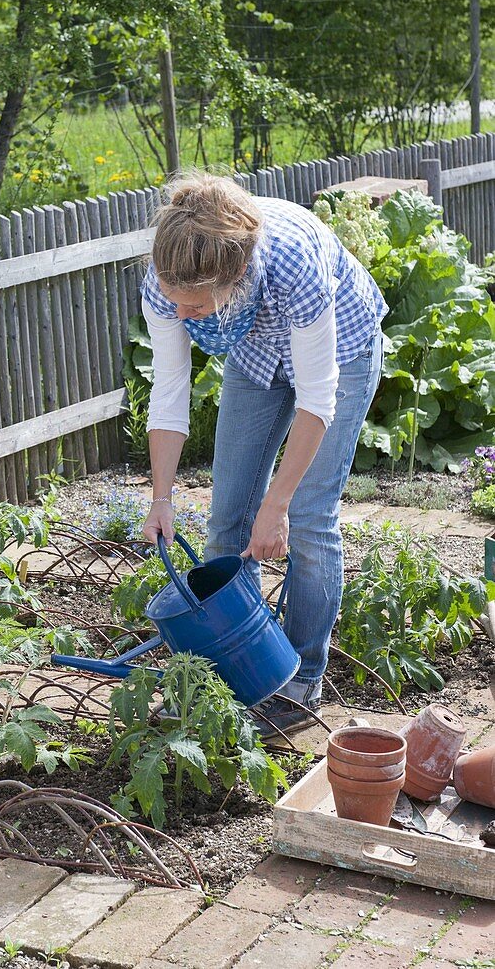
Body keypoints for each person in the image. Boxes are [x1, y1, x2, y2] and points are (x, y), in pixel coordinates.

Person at [140, 170, 386, 736]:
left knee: (308, 514)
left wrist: (277, 505)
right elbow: (170, 392)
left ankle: (298, 680)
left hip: (339, 352)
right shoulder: (167, 280)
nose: (182, 316)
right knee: (227, 515)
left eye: (195, 307)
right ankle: (228, 673)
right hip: (256, 359)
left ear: (232, 282)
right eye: (175, 304)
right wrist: (161, 498)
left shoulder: (292, 262)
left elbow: (318, 400)